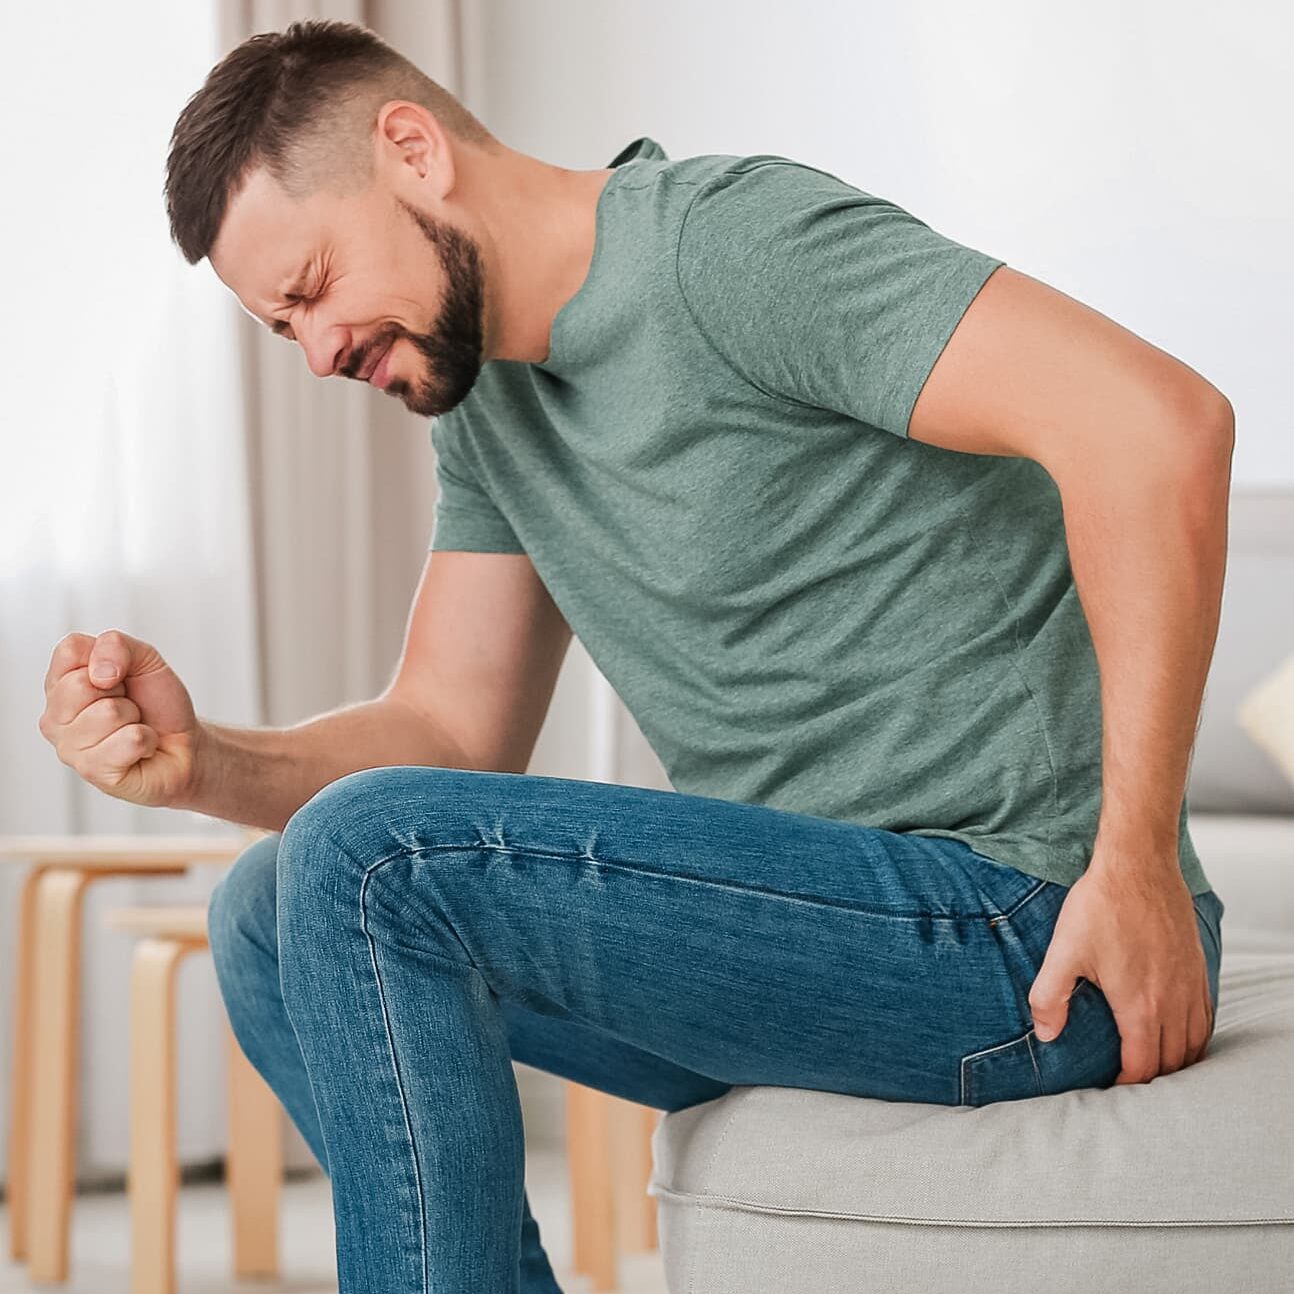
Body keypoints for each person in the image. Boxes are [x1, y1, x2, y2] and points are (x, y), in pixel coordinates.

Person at [39, 17, 1233, 1294]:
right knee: (266, 908)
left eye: (315, 284)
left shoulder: (727, 246)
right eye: (284, 329)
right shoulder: (486, 402)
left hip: (1032, 928)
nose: (321, 349)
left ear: (410, 149)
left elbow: (1155, 424)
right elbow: (449, 733)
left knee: (367, 851)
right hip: (833, 934)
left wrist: (1137, 865)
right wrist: (199, 760)